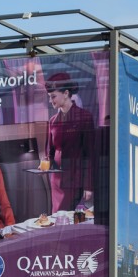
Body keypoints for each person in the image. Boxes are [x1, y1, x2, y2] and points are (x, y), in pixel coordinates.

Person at [43, 72, 96, 212]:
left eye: (53, 96)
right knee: (56, 218)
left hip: (75, 180)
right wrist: (45, 166)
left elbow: (90, 155)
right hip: (57, 181)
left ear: (66, 93)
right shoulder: (53, 121)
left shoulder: (84, 117)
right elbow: (50, 152)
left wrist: (88, 186)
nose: (50, 101)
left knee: (66, 219)